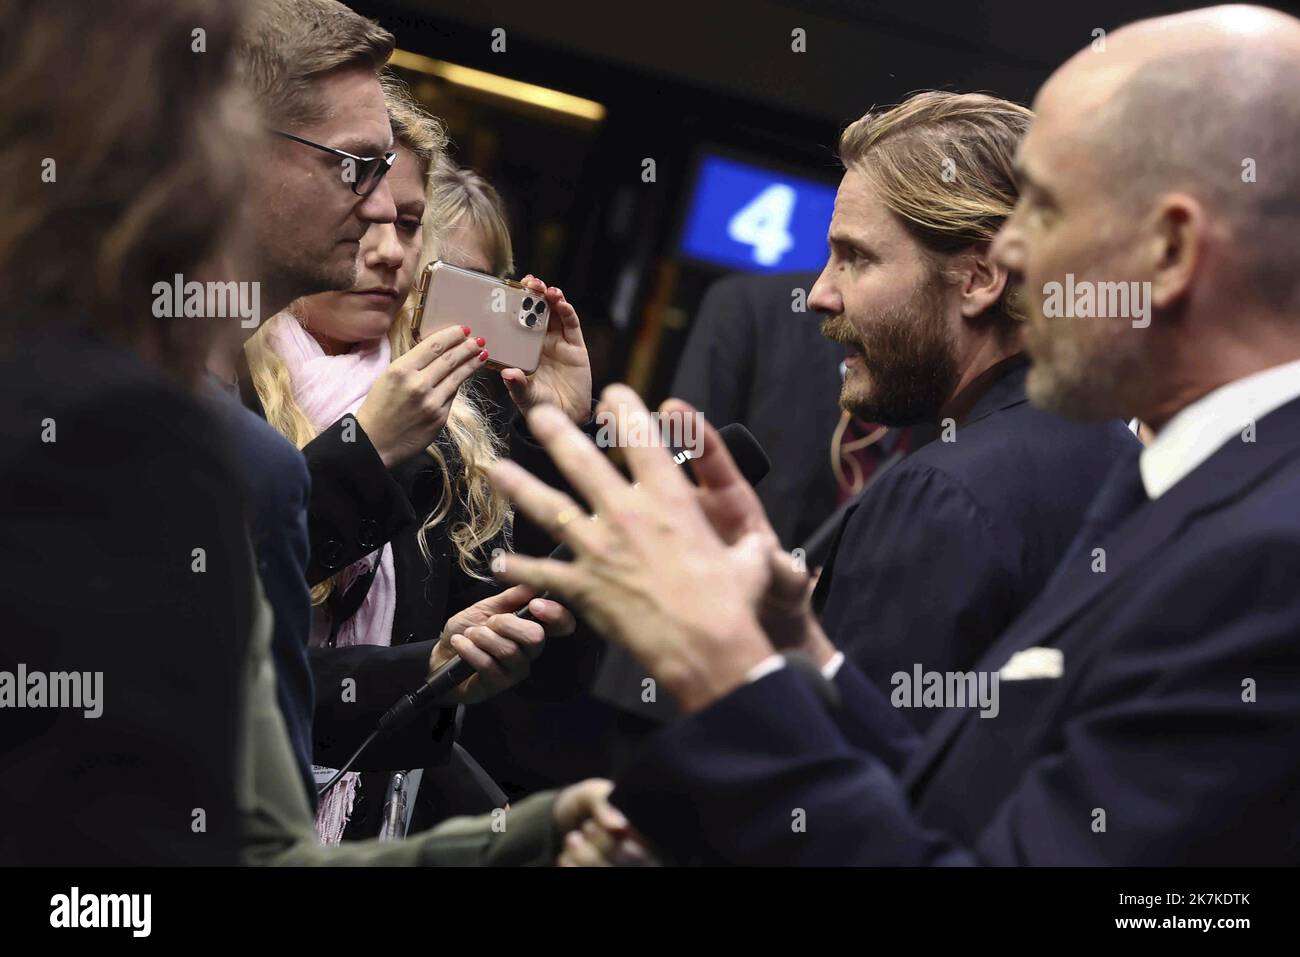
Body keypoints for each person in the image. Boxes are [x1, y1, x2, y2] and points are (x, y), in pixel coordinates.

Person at [488, 4, 1300, 865]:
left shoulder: (1267, 550)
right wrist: (802, 650)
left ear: (1171, 250)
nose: (1012, 258)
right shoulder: (1174, 485)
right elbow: (972, 806)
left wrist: (730, 670)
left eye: (1049, 211)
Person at [245, 80, 588, 840]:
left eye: (408, 224)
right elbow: (212, 604)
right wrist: (364, 450)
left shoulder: (446, 421)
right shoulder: (226, 376)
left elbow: (520, 632)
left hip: (367, 825)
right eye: (366, 219)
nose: (389, 251)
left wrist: (558, 435)